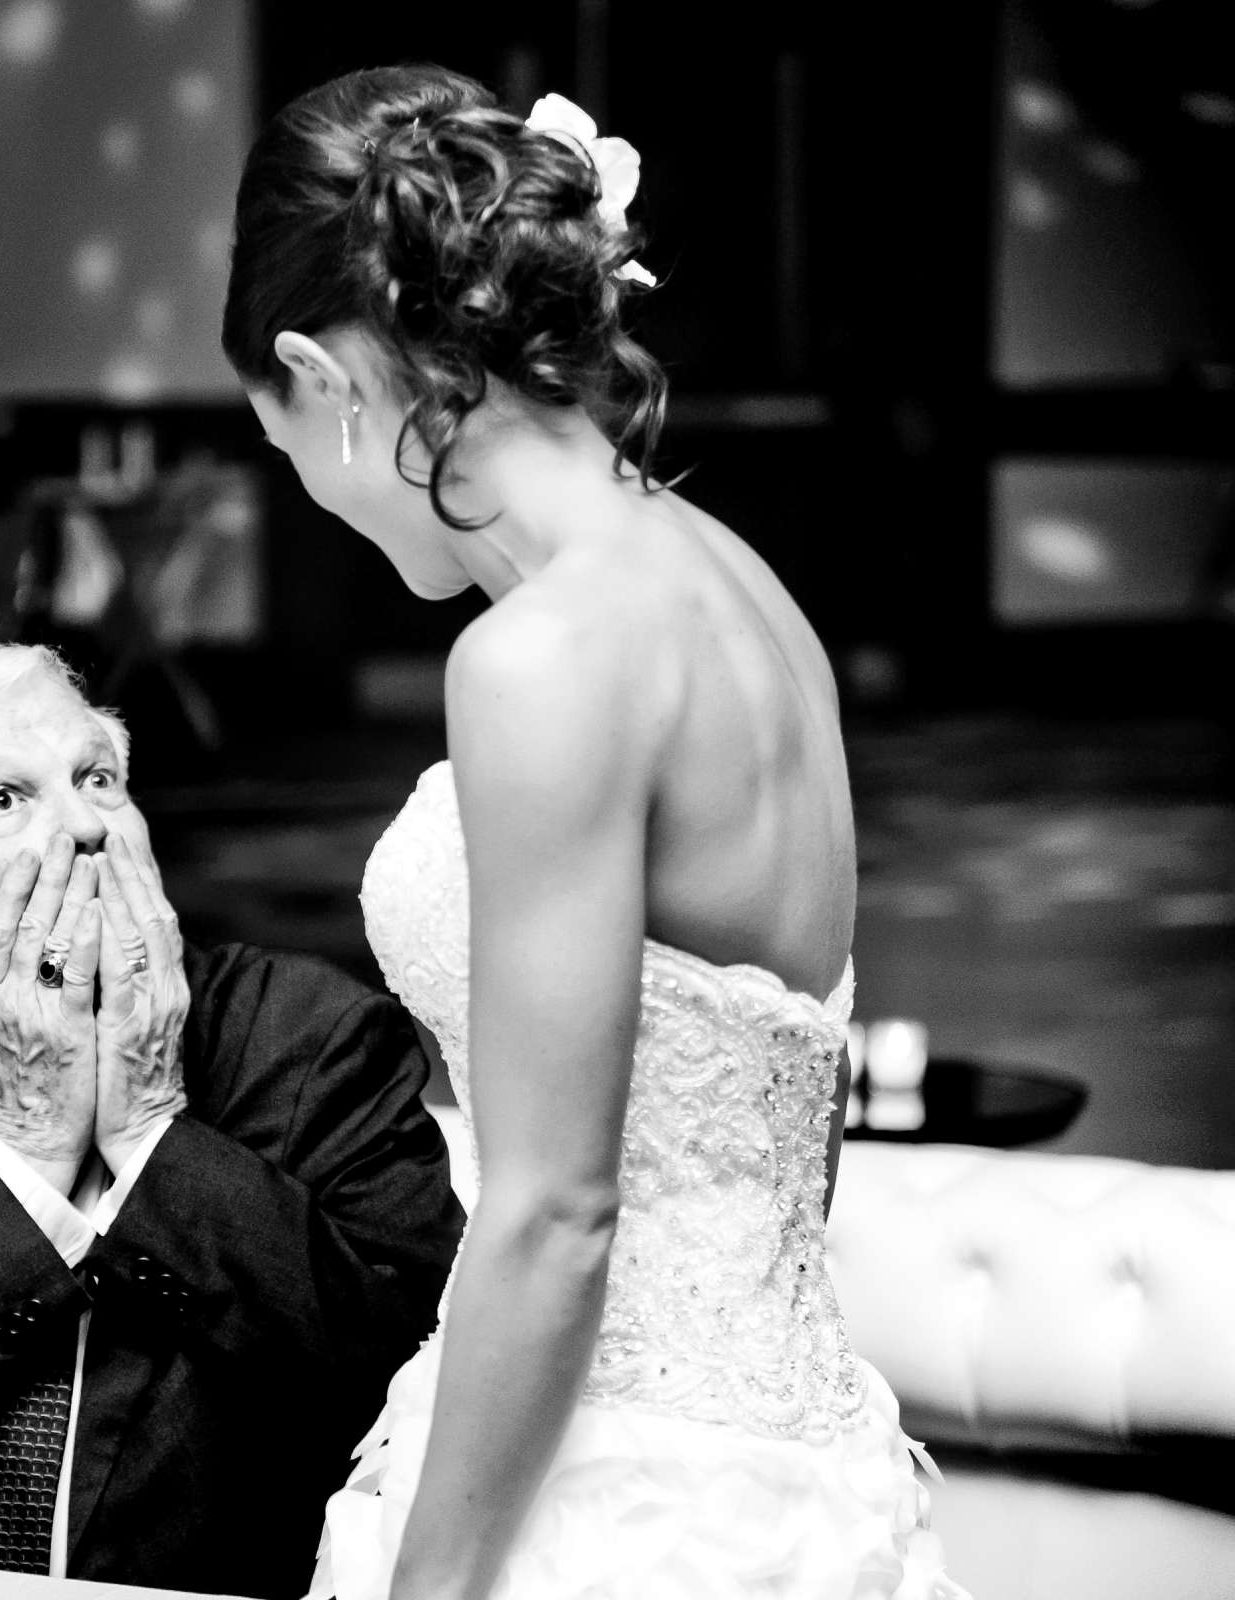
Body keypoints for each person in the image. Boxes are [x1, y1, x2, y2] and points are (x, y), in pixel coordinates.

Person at [222, 64, 966, 1600]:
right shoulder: (740, 587)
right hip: (804, 1468)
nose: (303, 491)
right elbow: (785, 1108)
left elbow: (559, 1213)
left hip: (619, 1501)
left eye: (278, 438)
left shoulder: (543, 657)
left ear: (327, 375)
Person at [0, 645, 465, 1599]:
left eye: (96, 778)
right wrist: (26, 1158)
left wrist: (152, 1128)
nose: (83, 826)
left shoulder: (310, 1037)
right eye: (5, 800)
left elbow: (409, 1399)